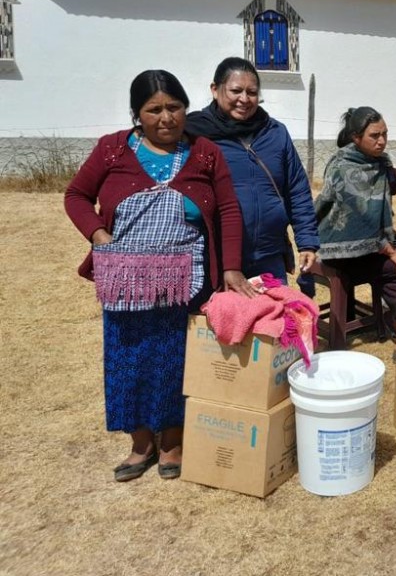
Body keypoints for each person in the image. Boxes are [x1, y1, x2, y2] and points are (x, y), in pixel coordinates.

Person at [64, 70, 255, 482]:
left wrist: (233, 267)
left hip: (182, 275)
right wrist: (98, 234)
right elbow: (76, 195)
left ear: (186, 108)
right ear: (137, 114)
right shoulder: (113, 149)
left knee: (174, 358)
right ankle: (140, 442)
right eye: (154, 110)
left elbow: (227, 209)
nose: (166, 118)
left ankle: (172, 441)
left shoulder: (204, 152)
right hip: (124, 277)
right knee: (126, 358)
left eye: (174, 107)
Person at [186, 57, 319, 289]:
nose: (244, 100)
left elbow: (297, 190)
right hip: (217, 259)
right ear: (215, 90)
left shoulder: (275, 133)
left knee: (273, 322)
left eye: (252, 92)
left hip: (269, 256)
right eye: (236, 91)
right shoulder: (195, 136)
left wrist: (307, 242)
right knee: (223, 323)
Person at [313, 106, 396, 338]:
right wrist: (388, 249)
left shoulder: (380, 162)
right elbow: (360, 218)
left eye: (385, 134)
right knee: (395, 266)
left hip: (369, 244)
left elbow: (392, 190)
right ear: (356, 137)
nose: (382, 141)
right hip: (342, 250)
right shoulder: (343, 168)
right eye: (375, 135)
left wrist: (392, 174)